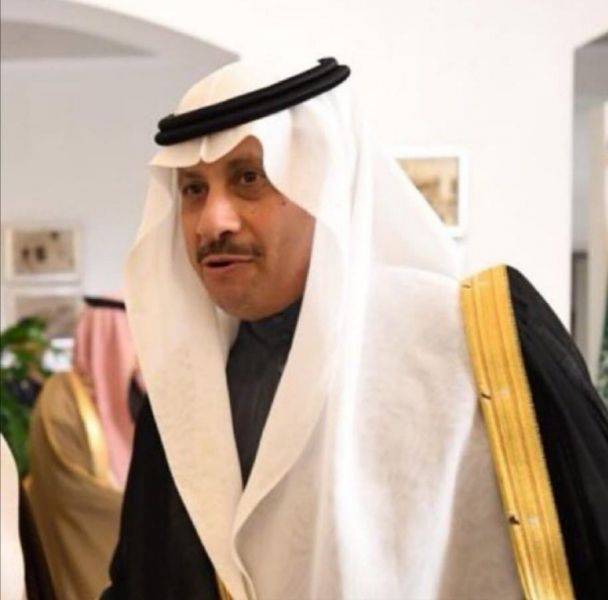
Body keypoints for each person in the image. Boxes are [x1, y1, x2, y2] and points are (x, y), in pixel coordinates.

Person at [103, 58, 607, 599]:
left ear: (324, 183)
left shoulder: (481, 337)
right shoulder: (185, 394)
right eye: (193, 190)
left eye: (249, 178)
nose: (211, 222)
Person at [27, 296, 144, 600]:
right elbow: (70, 491)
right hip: (84, 561)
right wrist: (155, 513)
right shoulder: (60, 400)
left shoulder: (139, 397)